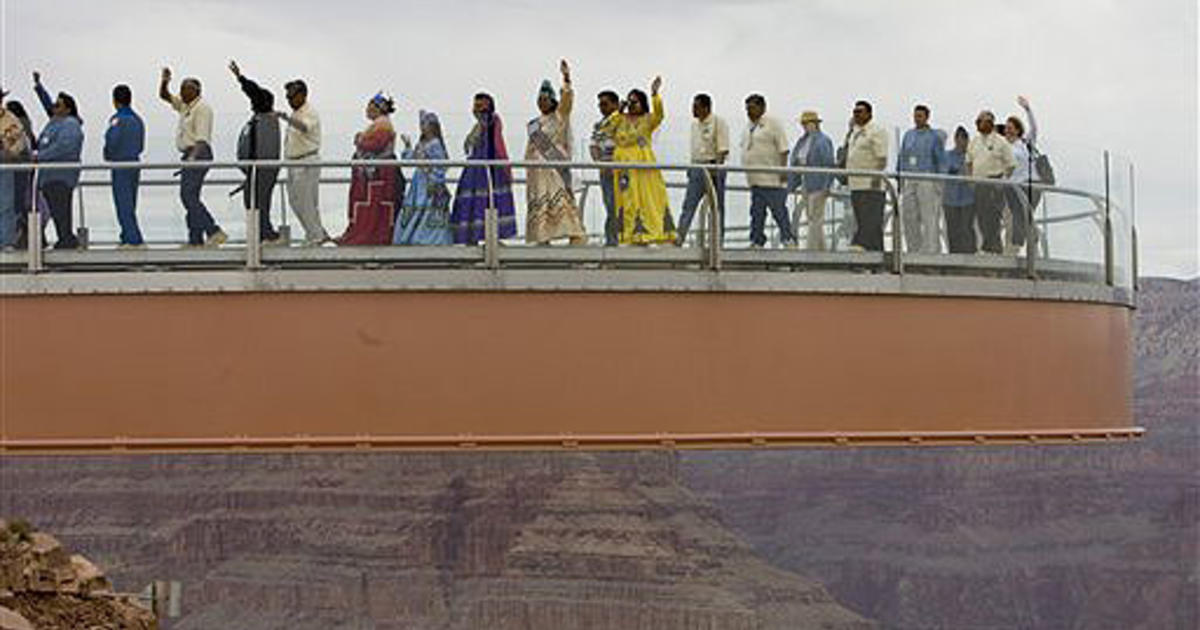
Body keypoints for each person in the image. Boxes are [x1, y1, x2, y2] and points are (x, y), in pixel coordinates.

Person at [596, 77, 676, 245]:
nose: (632, 105)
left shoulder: (648, 120)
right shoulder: (620, 119)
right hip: (624, 168)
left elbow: (660, 114)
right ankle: (629, 237)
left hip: (643, 165)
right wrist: (619, 111)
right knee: (627, 201)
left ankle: (650, 235)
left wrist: (655, 95)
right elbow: (605, 128)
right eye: (630, 102)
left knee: (648, 199)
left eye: (635, 102)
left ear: (643, 104)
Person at [159, 67, 226, 247]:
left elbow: (202, 140)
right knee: (192, 197)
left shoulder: (202, 108)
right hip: (189, 154)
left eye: (185, 88)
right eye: (180, 88)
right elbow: (165, 96)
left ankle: (213, 230)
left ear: (196, 90)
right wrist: (165, 81)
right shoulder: (185, 105)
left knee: (187, 196)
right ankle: (195, 239)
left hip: (199, 154)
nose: (181, 91)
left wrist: (191, 160)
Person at [525, 60, 586, 245]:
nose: (542, 103)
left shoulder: (559, 116)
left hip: (555, 167)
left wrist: (566, 78)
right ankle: (542, 237)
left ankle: (575, 235)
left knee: (561, 199)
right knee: (541, 201)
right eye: (539, 100)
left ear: (552, 101)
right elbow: (530, 148)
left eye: (545, 100)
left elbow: (567, 100)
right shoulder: (534, 124)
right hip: (537, 170)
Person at [450, 92, 517, 244]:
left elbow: (496, 144)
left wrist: (503, 166)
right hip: (475, 170)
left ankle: (491, 237)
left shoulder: (492, 121)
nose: (476, 109)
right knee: (475, 202)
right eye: (475, 106)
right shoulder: (478, 126)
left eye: (480, 106)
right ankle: (472, 237)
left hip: (489, 168)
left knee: (490, 201)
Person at [229, 61, 282, 244]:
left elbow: (255, 91)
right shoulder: (260, 120)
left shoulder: (267, 121)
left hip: (261, 170)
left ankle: (264, 234)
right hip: (254, 170)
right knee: (255, 203)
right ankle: (262, 233)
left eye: (254, 100)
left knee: (258, 203)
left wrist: (240, 78)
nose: (252, 102)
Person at [338, 92, 399, 246]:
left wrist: (360, 140)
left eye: (370, 106)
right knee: (367, 204)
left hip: (377, 174)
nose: (367, 109)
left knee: (374, 204)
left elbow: (376, 144)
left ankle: (370, 234)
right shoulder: (379, 124)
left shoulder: (383, 124)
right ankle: (362, 232)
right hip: (370, 174)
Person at [32, 72, 83, 249]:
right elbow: (47, 105)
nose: (54, 107)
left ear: (67, 109)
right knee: (56, 211)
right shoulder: (56, 121)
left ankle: (67, 240)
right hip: (49, 177)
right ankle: (65, 239)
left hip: (60, 177)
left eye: (58, 105)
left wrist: (39, 156)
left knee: (61, 211)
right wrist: (39, 87)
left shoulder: (70, 124)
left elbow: (64, 148)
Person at [278, 78, 330, 246]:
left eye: (292, 96)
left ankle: (316, 236)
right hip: (294, 163)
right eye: (287, 97)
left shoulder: (309, 112)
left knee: (307, 201)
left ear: (303, 95)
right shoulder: (296, 112)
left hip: (307, 160)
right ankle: (316, 231)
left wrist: (286, 119)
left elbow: (304, 127)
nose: (290, 100)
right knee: (295, 201)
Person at [675, 93, 730, 246]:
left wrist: (715, 168)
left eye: (696, 107)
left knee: (717, 208)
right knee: (688, 205)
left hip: (713, 167)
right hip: (696, 167)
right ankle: (679, 238)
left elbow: (723, 149)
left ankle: (718, 242)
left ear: (706, 108)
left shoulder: (719, 122)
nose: (693, 110)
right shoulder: (694, 125)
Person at [741, 94, 795, 248]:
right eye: (747, 109)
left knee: (778, 211)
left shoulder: (773, 124)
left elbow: (784, 150)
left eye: (752, 108)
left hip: (772, 179)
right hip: (755, 179)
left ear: (762, 108)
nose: (749, 112)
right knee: (757, 213)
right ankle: (757, 240)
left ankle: (788, 239)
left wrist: (783, 172)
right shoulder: (749, 127)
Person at [393, 110, 452, 245]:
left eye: (425, 124)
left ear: (433, 126)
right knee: (416, 206)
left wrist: (435, 180)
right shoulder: (422, 144)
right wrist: (407, 146)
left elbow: (441, 165)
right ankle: (412, 236)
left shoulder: (435, 144)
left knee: (427, 207)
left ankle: (429, 238)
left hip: (429, 181)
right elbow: (410, 159)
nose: (422, 127)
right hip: (418, 180)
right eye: (421, 124)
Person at [965, 109, 1016, 254]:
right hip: (979, 183)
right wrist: (970, 179)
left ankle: (994, 249)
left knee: (993, 218)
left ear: (990, 123)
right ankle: (988, 248)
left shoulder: (1001, 142)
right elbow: (968, 161)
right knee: (981, 217)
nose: (980, 123)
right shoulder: (974, 141)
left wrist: (1003, 181)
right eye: (978, 120)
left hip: (994, 183)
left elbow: (1011, 164)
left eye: (983, 121)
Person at [898, 104, 947, 254]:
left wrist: (940, 184)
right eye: (915, 116)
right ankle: (913, 248)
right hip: (910, 178)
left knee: (928, 217)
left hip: (927, 178)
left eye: (920, 116)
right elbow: (902, 157)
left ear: (926, 117)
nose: (917, 119)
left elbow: (941, 161)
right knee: (909, 216)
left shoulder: (934, 137)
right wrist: (899, 177)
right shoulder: (908, 135)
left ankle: (931, 250)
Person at [103, 84, 146, 249]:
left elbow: (111, 142)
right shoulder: (138, 120)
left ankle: (133, 239)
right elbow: (141, 145)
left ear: (115, 101)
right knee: (131, 202)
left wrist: (108, 154)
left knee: (123, 203)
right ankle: (126, 235)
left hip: (120, 164)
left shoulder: (117, 120)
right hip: (134, 163)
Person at [844, 100, 889, 251]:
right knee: (862, 218)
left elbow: (882, 157)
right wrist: (849, 131)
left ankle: (859, 244)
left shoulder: (876, 131)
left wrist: (876, 178)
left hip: (871, 184)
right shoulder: (855, 132)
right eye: (854, 112)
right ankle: (875, 254)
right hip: (856, 183)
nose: (856, 115)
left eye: (860, 112)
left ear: (869, 114)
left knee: (870, 220)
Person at [787, 110, 836, 250]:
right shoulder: (802, 141)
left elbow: (828, 164)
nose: (805, 126)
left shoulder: (823, 141)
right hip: (806, 183)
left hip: (818, 183)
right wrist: (791, 183)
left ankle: (811, 248)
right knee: (812, 217)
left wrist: (827, 185)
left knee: (815, 218)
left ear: (815, 124)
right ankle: (821, 248)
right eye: (803, 123)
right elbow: (795, 161)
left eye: (807, 123)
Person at [1003, 95, 1042, 253]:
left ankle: (1021, 247)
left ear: (1018, 129)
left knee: (1023, 217)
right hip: (1012, 187)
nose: (1008, 130)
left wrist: (1027, 109)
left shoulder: (1025, 142)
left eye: (1011, 127)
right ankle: (1025, 245)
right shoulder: (1003, 146)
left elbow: (1034, 129)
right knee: (1019, 218)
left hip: (1030, 184)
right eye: (1006, 127)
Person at [589, 90, 620, 245]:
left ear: (615, 104)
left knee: (622, 206)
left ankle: (622, 240)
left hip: (622, 171)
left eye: (605, 104)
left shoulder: (622, 121)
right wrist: (600, 163)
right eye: (600, 104)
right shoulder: (599, 125)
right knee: (610, 206)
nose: (601, 107)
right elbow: (593, 146)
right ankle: (612, 241)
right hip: (606, 172)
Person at [5, 101, 38, 249]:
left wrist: (7, 151)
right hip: (16, 169)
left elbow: (18, 147)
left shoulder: (13, 122)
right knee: (16, 206)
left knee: (11, 206)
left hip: (13, 170)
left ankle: (9, 241)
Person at [0, 87, 28, 248]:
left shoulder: (11, 119)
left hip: (4, 167)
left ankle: (6, 242)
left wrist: (8, 151)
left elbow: (20, 143)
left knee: (6, 206)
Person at [943, 126, 976, 253]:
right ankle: (954, 256)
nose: (963, 143)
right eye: (961, 139)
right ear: (956, 139)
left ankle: (969, 256)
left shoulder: (971, 156)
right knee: (952, 229)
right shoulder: (947, 156)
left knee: (966, 228)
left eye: (965, 139)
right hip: (950, 199)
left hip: (968, 199)